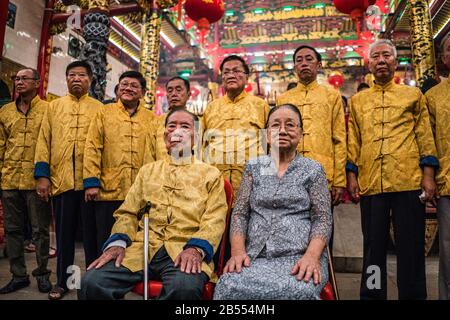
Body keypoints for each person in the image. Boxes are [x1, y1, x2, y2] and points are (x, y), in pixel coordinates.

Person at [78, 108, 228, 300]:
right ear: (164, 135)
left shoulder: (211, 174)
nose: (176, 131)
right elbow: (128, 213)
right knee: (92, 282)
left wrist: (195, 248)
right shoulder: (147, 172)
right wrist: (117, 243)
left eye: (185, 126)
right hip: (142, 248)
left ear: (195, 137)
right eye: (171, 126)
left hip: (184, 250)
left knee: (184, 289)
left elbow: (214, 218)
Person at [346, 39, 439, 300]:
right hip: (372, 181)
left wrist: (428, 175)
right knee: (373, 247)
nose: (381, 60)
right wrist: (352, 175)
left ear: (395, 61)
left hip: (408, 180)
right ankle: (373, 294)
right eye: (375, 56)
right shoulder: (358, 101)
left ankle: (412, 295)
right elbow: (354, 139)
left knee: (410, 246)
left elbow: (424, 135)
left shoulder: (412, 95)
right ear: (369, 64)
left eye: (386, 55)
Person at [214, 104, 332, 300]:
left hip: (299, 257)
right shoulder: (254, 167)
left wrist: (312, 256)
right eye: (276, 125)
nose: (283, 130)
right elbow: (240, 214)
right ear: (267, 134)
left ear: (301, 133)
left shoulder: (313, 170)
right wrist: (237, 251)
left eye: (290, 125)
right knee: (228, 286)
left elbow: (322, 219)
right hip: (255, 257)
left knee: (299, 291)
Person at [34, 60, 103, 300]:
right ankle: (63, 282)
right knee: (64, 235)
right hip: (61, 181)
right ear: (66, 79)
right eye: (71, 75)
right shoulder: (53, 107)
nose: (76, 79)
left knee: (91, 238)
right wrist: (42, 176)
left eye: (81, 75)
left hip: (90, 184)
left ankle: (93, 284)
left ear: (90, 80)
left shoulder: (100, 108)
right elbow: (43, 141)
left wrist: (97, 180)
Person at [276, 45, 347, 251]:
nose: (304, 63)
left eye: (309, 59)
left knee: (322, 230)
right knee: (289, 230)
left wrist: (339, 180)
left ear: (319, 64)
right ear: (294, 66)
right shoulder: (283, 99)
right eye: (299, 60)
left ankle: (326, 280)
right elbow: (276, 141)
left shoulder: (331, 95)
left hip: (323, 174)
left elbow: (339, 139)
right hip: (289, 174)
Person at [83, 71, 155, 258]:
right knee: (103, 239)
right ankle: (96, 280)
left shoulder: (151, 118)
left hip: (139, 192)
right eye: (124, 84)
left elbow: (157, 152)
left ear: (143, 92)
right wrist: (91, 182)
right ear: (118, 88)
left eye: (133, 86)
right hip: (108, 190)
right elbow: (92, 146)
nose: (128, 88)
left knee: (133, 243)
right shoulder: (104, 112)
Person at [0, 68, 52, 294]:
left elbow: (52, 145)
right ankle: (18, 275)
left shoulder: (49, 110)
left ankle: (41, 273)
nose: (19, 82)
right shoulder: (5, 111)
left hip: (36, 181)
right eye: (16, 79)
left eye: (24, 79)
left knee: (40, 230)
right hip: (10, 179)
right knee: (12, 230)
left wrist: (46, 177)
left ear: (37, 83)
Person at [202, 55, 269, 199]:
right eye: (226, 72)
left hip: (252, 183)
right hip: (216, 182)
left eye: (236, 71)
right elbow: (202, 145)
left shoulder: (261, 106)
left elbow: (270, 145)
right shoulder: (211, 108)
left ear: (246, 77)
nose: (231, 75)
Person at [425, 31, 450, 300]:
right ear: (443, 57)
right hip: (448, 182)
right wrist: (429, 178)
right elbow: (428, 143)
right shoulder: (433, 97)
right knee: (448, 250)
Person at [150, 76, 191, 161]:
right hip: (161, 172)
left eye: (178, 90)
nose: (174, 94)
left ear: (188, 95)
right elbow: (150, 152)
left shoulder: (197, 121)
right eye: (170, 91)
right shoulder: (156, 122)